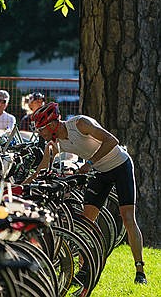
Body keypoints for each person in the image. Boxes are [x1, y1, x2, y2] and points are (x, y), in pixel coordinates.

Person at [23, 102, 147, 284]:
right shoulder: (56, 142)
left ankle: (140, 271)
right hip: (100, 171)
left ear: (52, 124)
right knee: (86, 221)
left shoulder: (80, 124)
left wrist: (89, 163)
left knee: (128, 218)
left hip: (120, 165)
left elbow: (112, 141)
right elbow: (42, 166)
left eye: (41, 128)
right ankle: (83, 271)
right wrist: (24, 184)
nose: (39, 133)